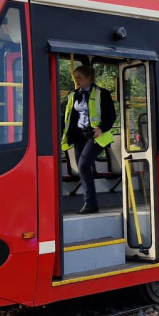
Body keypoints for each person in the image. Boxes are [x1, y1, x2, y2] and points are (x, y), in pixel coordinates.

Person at [60, 65, 116, 214]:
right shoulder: (73, 95)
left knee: (84, 165)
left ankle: (90, 203)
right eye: (75, 78)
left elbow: (111, 116)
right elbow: (66, 115)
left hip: (96, 135)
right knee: (81, 167)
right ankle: (90, 202)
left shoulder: (102, 93)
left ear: (89, 78)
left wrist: (100, 128)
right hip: (79, 135)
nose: (77, 81)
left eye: (80, 78)